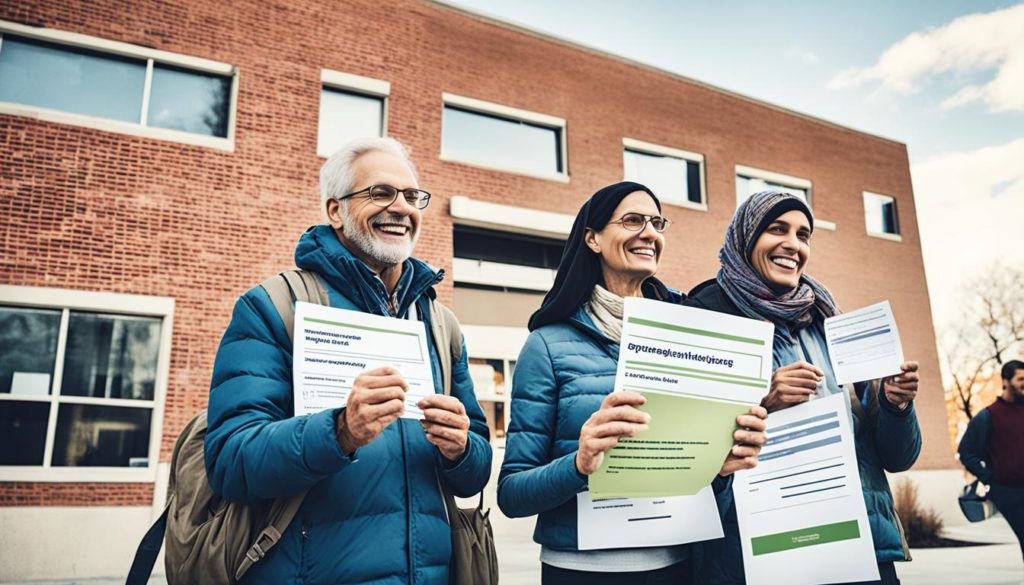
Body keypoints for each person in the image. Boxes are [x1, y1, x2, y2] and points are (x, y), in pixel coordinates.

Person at [204, 137, 492, 584]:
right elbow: (231, 462)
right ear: (335, 211)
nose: (402, 207)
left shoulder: (440, 324)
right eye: (381, 192)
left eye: (411, 195)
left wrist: (461, 450)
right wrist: (339, 432)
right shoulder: (273, 307)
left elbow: (474, 473)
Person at [497, 181, 769, 585]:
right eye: (632, 220)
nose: (649, 233)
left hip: (678, 566)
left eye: (657, 223)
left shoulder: (691, 332)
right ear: (592, 238)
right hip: (583, 573)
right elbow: (512, 494)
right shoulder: (547, 346)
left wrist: (721, 468)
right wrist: (579, 464)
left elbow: (701, 479)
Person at [687, 190, 921, 585]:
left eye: (803, 235)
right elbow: (685, 453)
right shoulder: (705, 316)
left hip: (860, 546)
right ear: (745, 238)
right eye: (777, 229)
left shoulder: (832, 323)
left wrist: (894, 406)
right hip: (764, 551)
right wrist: (764, 400)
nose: (793, 244)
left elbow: (897, 458)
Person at [958, 359, 1024, 560]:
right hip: (1009, 493)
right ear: (1005, 381)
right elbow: (965, 452)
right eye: (1021, 379)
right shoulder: (988, 416)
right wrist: (989, 477)